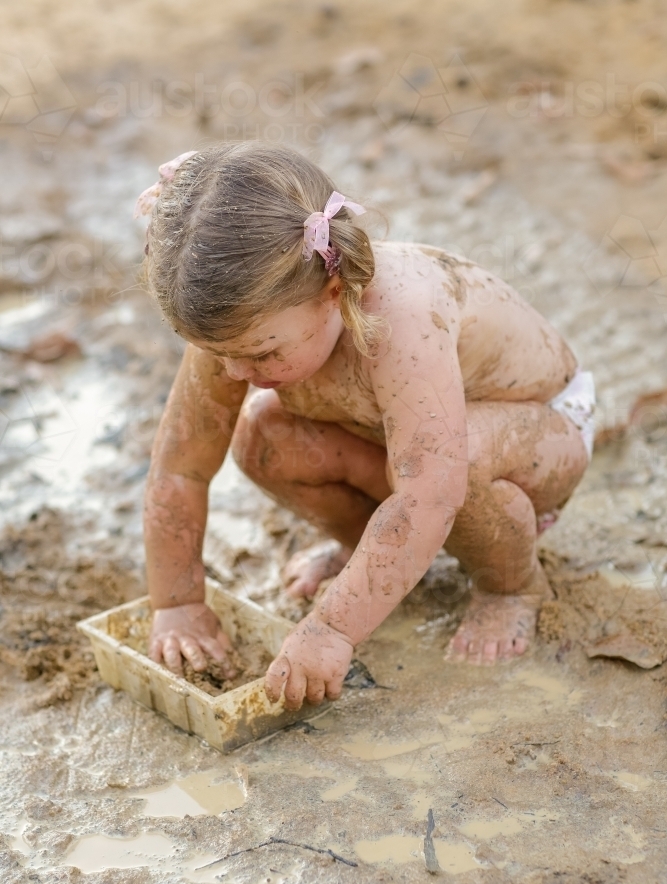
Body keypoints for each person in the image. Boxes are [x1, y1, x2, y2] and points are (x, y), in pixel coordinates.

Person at [137, 142, 594, 712]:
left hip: (538, 436)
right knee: (262, 436)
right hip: (400, 443)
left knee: (460, 460)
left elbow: (430, 492)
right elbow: (182, 466)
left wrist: (331, 630)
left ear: (333, 294)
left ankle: (511, 584)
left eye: (259, 354)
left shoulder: (402, 313)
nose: (235, 373)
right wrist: (177, 604)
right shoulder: (240, 322)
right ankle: (370, 553)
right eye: (214, 353)